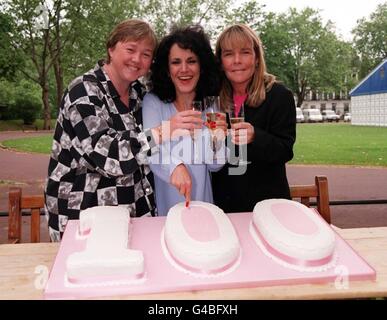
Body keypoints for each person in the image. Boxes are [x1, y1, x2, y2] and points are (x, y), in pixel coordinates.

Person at [44, 19, 196, 241]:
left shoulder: (139, 94)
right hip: (85, 218)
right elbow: (107, 156)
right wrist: (164, 131)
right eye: (130, 49)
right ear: (111, 49)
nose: (137, 59)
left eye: (146, 54)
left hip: (134, 216)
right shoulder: (84, 91)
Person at [211, 24, 296, 213]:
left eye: (245, 52)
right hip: (223, 206)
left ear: (257, 58)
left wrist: (256, 137)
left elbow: (285, 151)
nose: (237, 60)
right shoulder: (212, 98)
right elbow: (210, 150)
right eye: (228, 54)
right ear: (220, 61)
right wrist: (212, 134)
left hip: (268, 207)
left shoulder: (279, 96)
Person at [142, 25, 226, 215]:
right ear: (166, 68)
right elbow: (148, 147)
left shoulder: (210, 105)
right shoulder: (153, 102)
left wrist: (217, 139)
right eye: (176, 62)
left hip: (205, 208)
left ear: (202, 66)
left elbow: (216, 164)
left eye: (191, 61)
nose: (184, 69)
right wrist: (175, 167)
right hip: (167, 211)